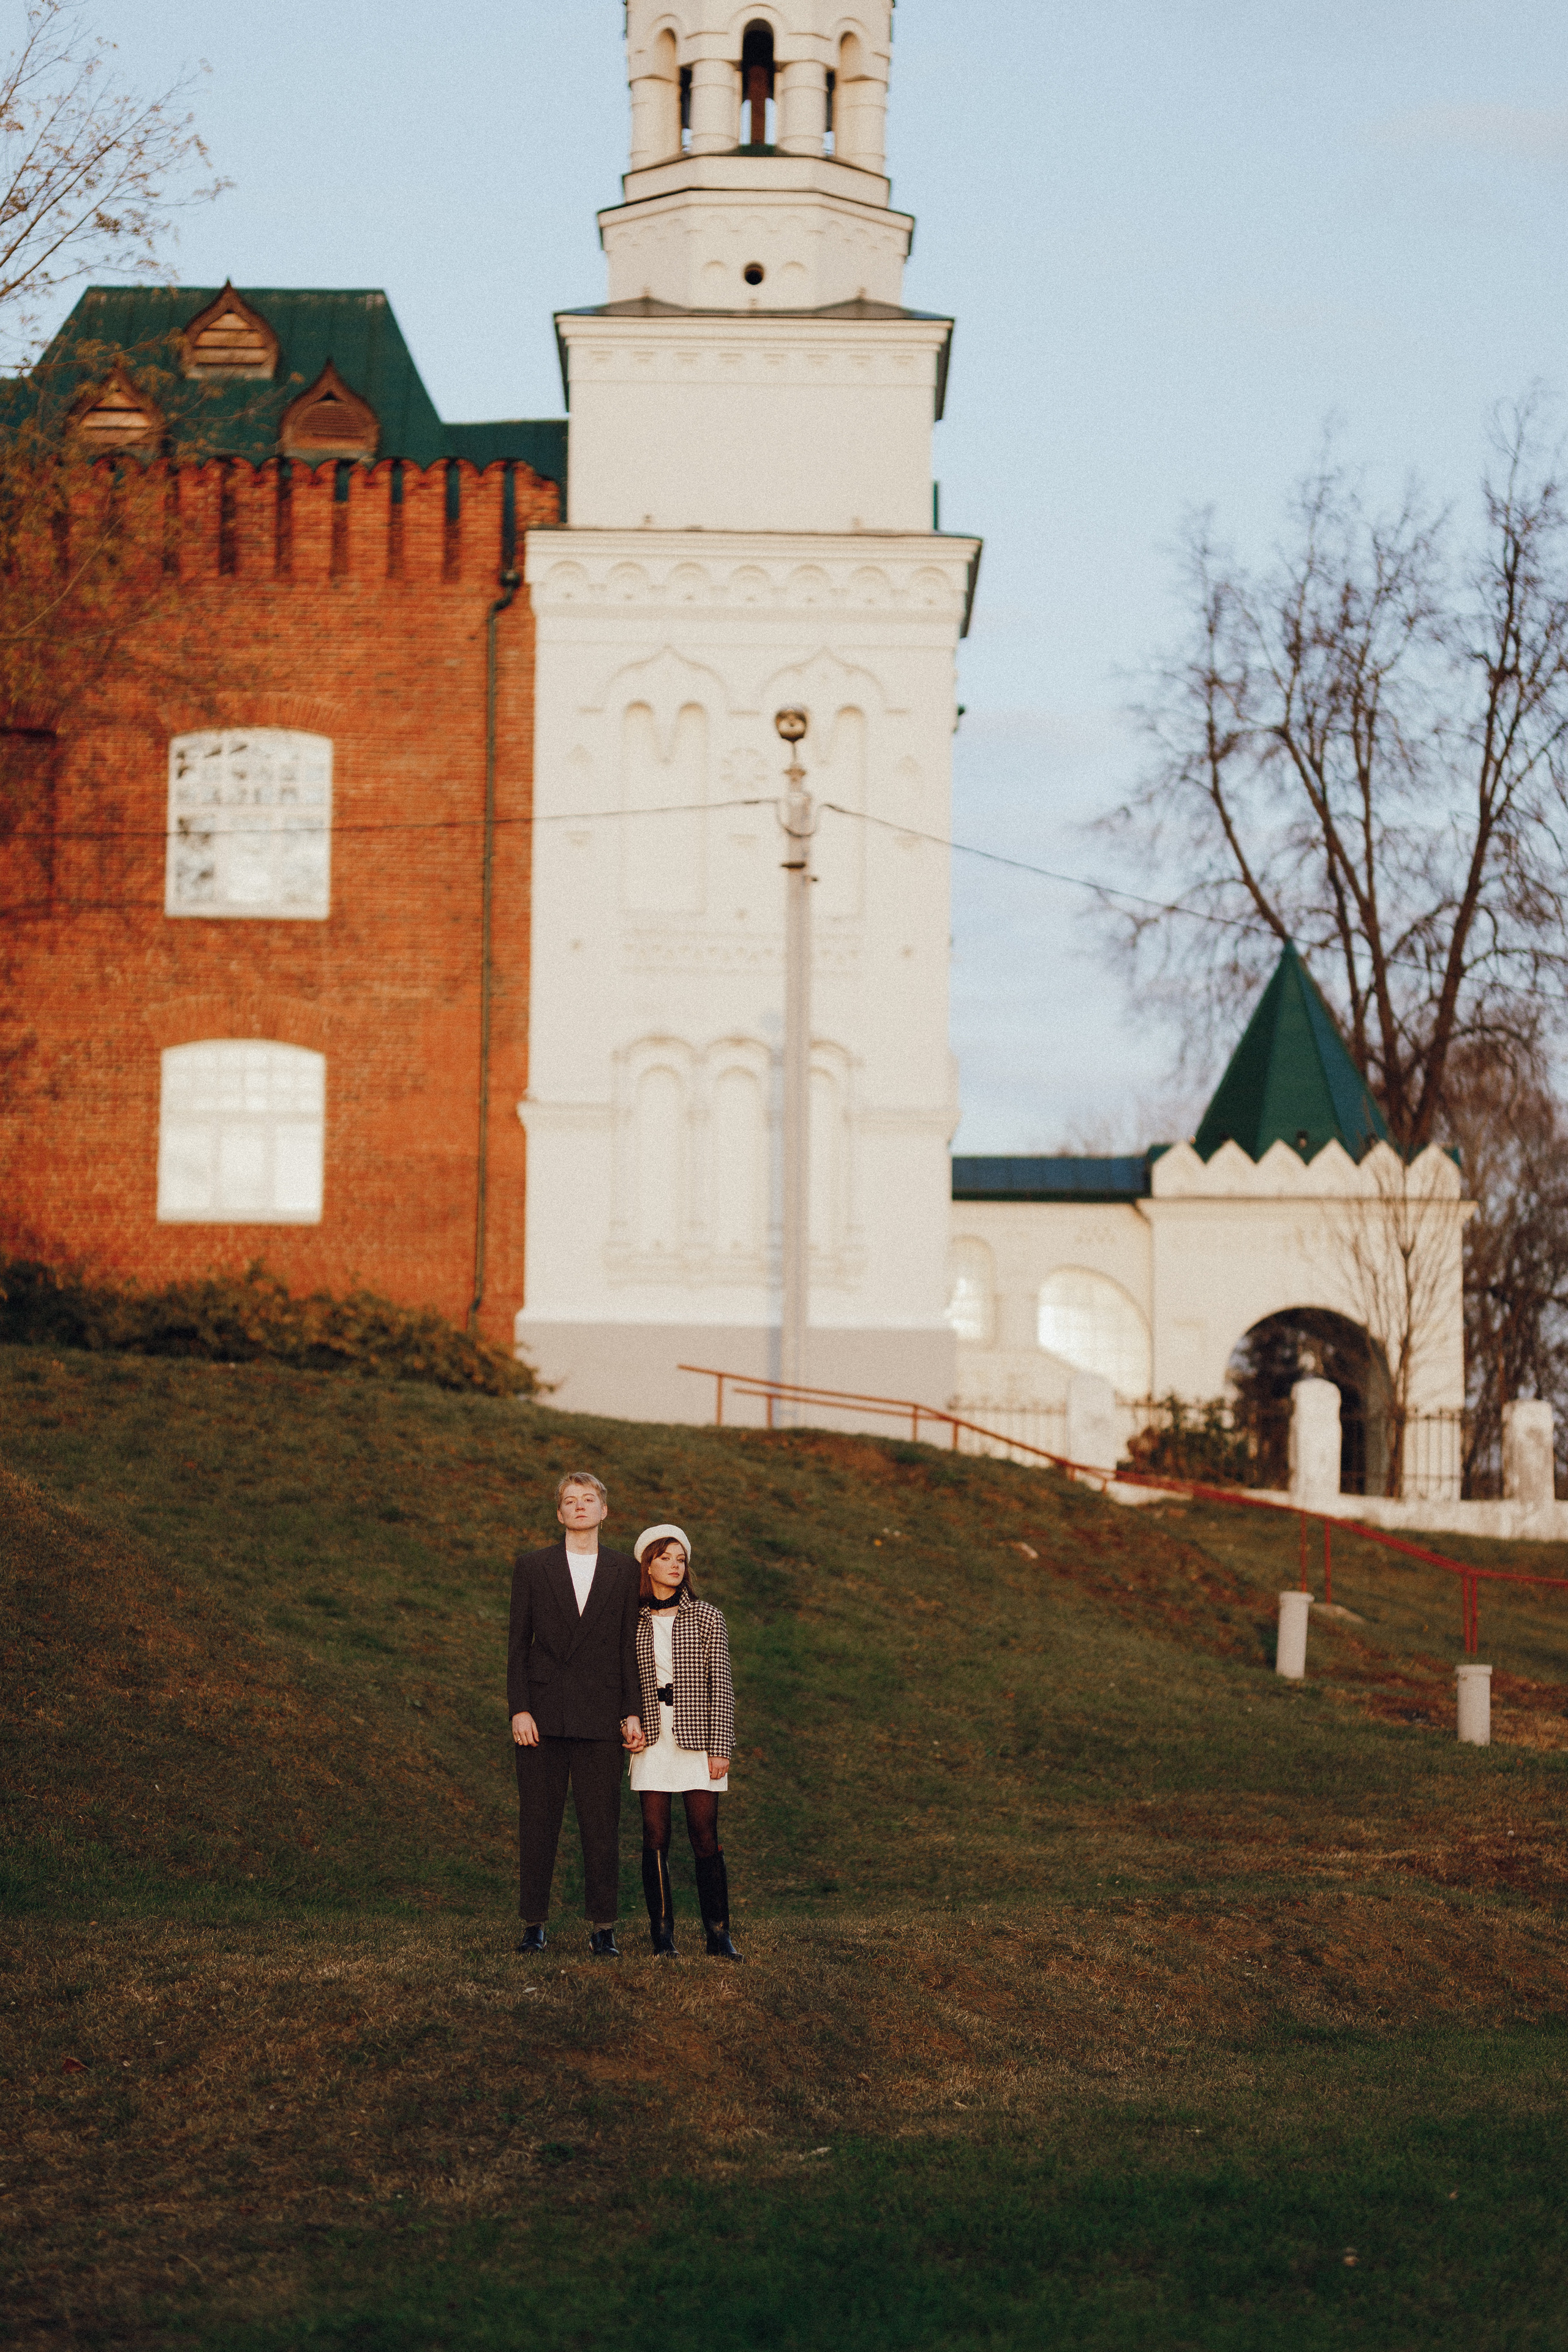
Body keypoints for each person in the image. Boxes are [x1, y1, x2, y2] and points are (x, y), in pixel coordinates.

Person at [508, 1471, 646, 1958]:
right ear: (561, 1513)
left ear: (604, 1512)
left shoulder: (625, 1572)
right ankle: (533, 1924)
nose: (580, 1507)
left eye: (589, 1500)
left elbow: (630, 1648)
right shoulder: (532, 1567)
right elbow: (517, 1646)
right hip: (542, 1718)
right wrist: (520, 1708)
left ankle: (603, 1927)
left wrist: (632, 1712)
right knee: (539, 1823)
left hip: (601, 1716)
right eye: (571, 1500)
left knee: (601, 1825)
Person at [630, 1524, 742, 1961]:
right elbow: (622, 1682)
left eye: (681, 1560)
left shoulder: (708, 1616)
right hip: (651, 1739)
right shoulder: (631, 1620)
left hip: (699, 1736)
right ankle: (662, 1938)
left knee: (703, 1833)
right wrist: (628, 1722)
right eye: (666, 1558)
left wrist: (721, 1746)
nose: (676, 1566)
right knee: (655, 1833)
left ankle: (718, 1935)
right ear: (649, 1565)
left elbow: (723, 1685)